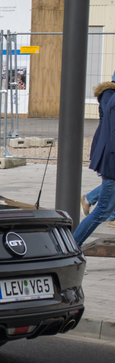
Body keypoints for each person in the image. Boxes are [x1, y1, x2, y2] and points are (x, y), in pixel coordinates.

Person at [73, 70, 115, 246]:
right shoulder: (111, 98)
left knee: (103, 210)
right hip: (112, 162)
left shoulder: (110, 96)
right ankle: (72, 246)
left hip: (110, 160)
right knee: (101, 212)